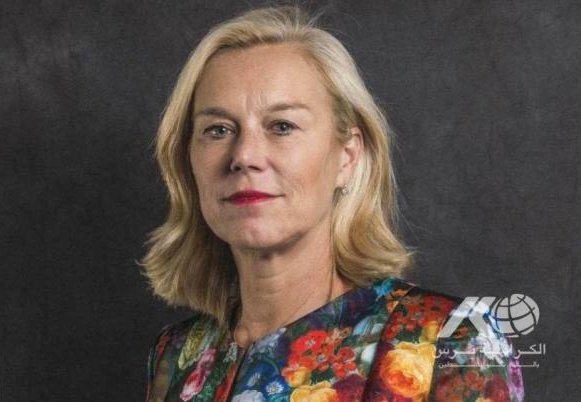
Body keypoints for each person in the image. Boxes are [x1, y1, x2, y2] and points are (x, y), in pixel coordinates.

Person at [141, 5, 524, 402]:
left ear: (347, 156)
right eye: (218, 130)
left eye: (282, 126)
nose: (245, 156)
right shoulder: (178, 355)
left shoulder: (450, 342)